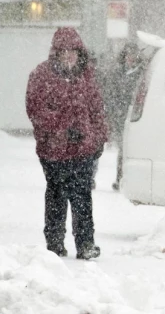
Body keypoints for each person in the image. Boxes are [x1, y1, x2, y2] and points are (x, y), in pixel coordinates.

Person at [26, 27, 108, 260]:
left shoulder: (87, 76)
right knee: (57, 195)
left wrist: (99, 137)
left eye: (73, 51)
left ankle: (85, 244)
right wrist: (62, 131)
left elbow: (97, 110)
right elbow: (36, 111)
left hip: (83, 148)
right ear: (56, 52)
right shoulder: (41, 76)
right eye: (64, 51)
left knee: (82, 197)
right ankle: (54, 244)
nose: (69, 55)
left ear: (79, 52)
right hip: (53, 151)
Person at [104, 42, 145, 191]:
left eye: (133, 55)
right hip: (121, 117)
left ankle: (132, 179)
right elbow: (111, 94)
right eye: (128, 54)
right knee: (123, 149)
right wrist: (112, 113)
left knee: (133, 150)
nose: (131, 58)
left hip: (136, 116)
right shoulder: (117, 73)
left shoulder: (142, 73)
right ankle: (120, 178)